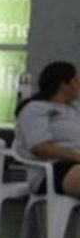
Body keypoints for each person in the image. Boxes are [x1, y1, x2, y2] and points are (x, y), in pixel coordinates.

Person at [14, 60, 80, 199]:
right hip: (51, 170)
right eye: (76, 80)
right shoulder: (36, 108)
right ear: (63, 84)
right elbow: (40, 147)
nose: (79, 83)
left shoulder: (74, 108)